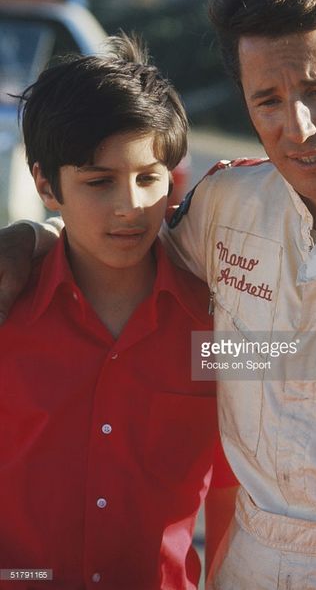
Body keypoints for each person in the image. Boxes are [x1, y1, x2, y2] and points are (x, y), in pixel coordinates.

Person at [0, 0, 316, 589]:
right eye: (267, 100)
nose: (297, 126)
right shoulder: (229, 204)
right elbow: (120, 238)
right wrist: (30, 239)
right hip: (246, 566)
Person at [0, 34, 237, 590]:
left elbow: (234, 486)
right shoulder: (9, 310)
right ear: (45, 184)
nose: (129, 206)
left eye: (148, 178)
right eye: (98, 182)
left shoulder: (218, 324)